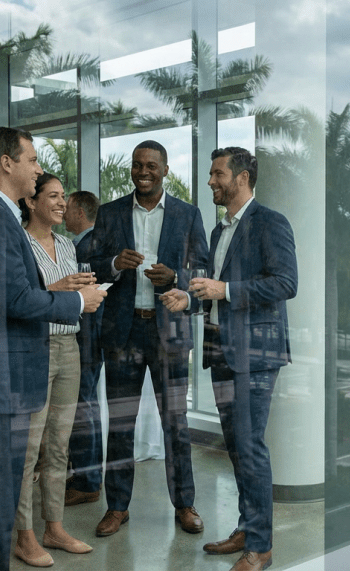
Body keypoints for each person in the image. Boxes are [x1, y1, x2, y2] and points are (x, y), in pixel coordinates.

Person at [0, 127, 105, 571]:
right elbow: (11, 300)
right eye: (31, 159)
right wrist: (76, 301)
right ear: (6, 163)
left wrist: (53, 291)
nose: (37, 168)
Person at [161, 146, 297, 571]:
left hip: (255, 356)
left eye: (217, 174)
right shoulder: (221, 231)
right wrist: (190, 297)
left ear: (241, 178)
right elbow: (215, 293)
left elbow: (286, 283)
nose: (210, 182)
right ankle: (246, 527)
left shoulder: (270, 222)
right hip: (221, 349)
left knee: (250, 447)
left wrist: (227, 291)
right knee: (237, 448)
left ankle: (261, 546)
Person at [88, 140, 209, 538]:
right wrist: (113, 264)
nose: (144, 172)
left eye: (152, 166)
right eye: (138, 165)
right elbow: (89, 265)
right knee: (120, 423)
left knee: (176, 422)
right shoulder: (109, 213)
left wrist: (175, 277)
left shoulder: (187, 216)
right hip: (123, 332)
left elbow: (204, 272)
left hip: (169, 334)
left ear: (165, 171)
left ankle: (185, 504)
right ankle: (117, 507)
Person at [12, 173, 97, 567]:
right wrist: (62, 289)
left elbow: (68, 294)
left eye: (64, 196)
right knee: (30, 448)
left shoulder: (66, 243)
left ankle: (54, 527)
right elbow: (23, 299)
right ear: (32, 202)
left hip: (69, 347)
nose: (62, 203)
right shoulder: (20, 243)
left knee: (59, 445)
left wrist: (85, 292)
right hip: (35, 347)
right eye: (53, 196)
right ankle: (24, 536)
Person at [62, 190, 106, 506]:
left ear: (79, 211)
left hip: (86, 338)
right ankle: (84, 476)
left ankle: (87, 480)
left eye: (66, 207)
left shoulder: (87, 248)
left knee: (83, 406)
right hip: (90, 338)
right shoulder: (88, 244)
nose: (62, 213)